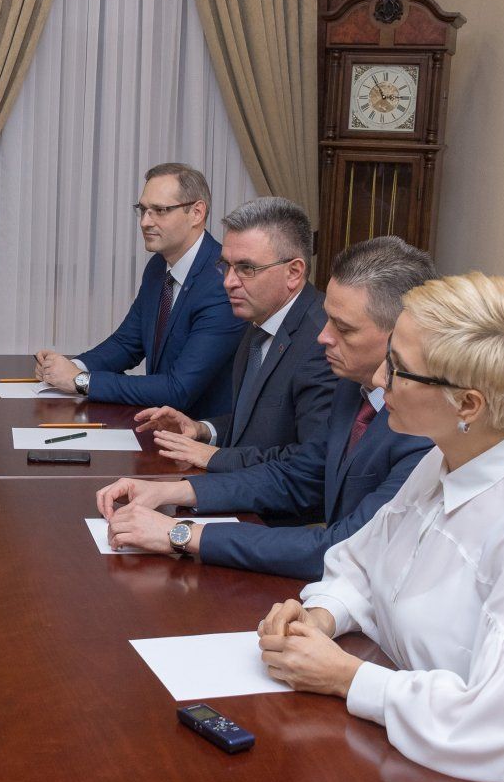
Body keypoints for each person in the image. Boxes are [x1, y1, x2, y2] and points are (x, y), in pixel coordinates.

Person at [257, 272, 504, 782]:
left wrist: (346, 678)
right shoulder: (443, 459)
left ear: (469, 404)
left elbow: (500, 727)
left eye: (399, 368)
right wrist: (320, 618)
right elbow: (362, 563)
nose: (379, 378)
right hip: (430, 760)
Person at [96, 236, 436, 579]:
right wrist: (172, 490)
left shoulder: (422, 428)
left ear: (400, 335)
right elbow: (297, 476)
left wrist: (181, 534)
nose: (323, 336)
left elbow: (342, 547)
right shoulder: (352, 387)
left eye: (343, 328)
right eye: (328, 319)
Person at [133, 197, 337, 474]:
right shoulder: (258, 319)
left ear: (294, 272)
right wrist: (203, 429)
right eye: (226, 266)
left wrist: (216, 457)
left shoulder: (321, 341)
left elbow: (311, 465)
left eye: (246, 268)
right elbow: (261, 425)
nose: (228, 281)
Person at [33, 163, 245, 417]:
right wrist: (68, 367)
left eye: (160, 210)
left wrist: (81, 381)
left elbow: (178, 389)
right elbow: (127, 344)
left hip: (200, 430)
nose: (145, 222)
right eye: (143, 210)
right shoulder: (158, 267)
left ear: (197, 213)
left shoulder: (223, 281)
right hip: (157, 423)